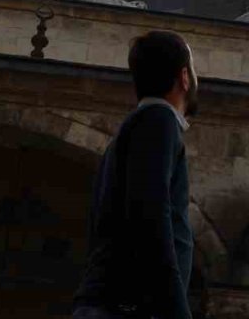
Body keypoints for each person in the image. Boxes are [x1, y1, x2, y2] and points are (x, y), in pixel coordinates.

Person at [74, 31, 199, 319]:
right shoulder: (158, 121)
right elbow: (151, 216)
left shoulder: (135, 129)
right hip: (126, 307)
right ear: (184, 77)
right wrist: (176, 311)